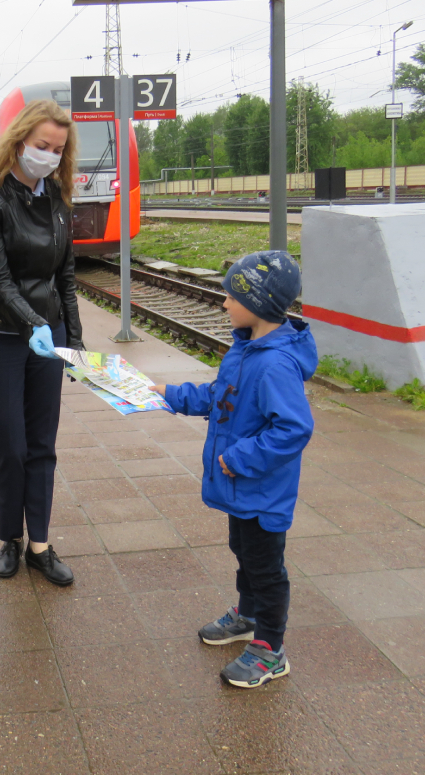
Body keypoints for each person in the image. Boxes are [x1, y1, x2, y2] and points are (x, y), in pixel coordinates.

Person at [149, 250, 316, 689]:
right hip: (242, 491)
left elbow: (294, 429)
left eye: (231, 296)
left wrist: (238, 459)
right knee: (244, 553)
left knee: (266, 567)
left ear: (258, 304)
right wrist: (167, 393)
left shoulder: (274, 364)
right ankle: (248, 615)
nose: (223, 303)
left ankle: (270, 649)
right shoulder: (245, 350)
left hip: (260, 491)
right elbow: (218, 396)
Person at [0, 100, 83, 586]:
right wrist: (31, 322)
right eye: (42, 146)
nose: (50, 157)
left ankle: (39, 543)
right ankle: (8, 538)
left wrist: (72, 341)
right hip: (0, 334)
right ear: (18, 141)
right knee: (11, 443)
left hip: (47, 334)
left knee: (42, 443)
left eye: (57, 150)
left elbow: (66, 276)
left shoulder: (56, 196)